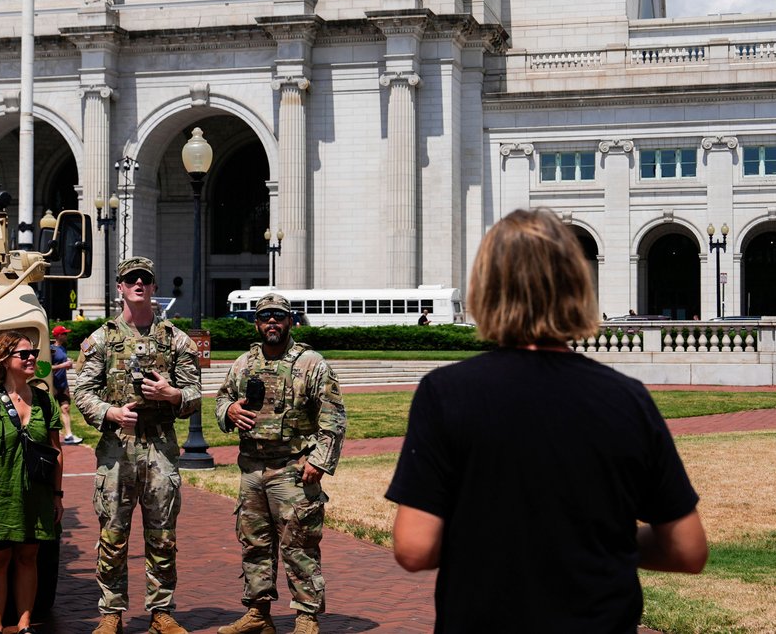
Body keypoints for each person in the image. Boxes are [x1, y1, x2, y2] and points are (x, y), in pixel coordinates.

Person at [385, 209, 708, 632]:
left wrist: (499, 534)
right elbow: (687, 549)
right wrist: (592, 535)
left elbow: (414, 547)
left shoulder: (446, 393)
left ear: (487, 288)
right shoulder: (627, 398)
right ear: (576, 286)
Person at [72, 256, 202, 634]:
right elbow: (81, 390)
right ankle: (111, 612)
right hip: (117, 450)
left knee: (162, 534)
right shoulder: (101, 340)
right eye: (131, 280)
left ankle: (162, 611)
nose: (139, 285)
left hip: (160, 449)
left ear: (154, 287)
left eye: (145, 279)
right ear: (120, 288)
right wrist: (109, 413)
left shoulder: (175, 340)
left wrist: (172, 394)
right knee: (112, 533)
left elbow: (195, 394)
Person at [214, 293, 346, 634]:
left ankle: (306, 616)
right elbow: (222, 398)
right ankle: (258, 614)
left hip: (293, 468)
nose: (272, 321)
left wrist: (319, 461)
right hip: (252, 468)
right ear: (256, 323)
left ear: (290, 321)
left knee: (298, 543)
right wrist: (228, 411)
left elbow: (333, 418)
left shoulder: (312, 363)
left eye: (279, 316)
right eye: (265, 316)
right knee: (254, 542)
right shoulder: (244, 363)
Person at [0, 331, 65, 634]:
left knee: (29, 557)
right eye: (24, 354)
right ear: (5, 360)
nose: (32, 358)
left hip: (37, 492)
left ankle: (25, 623)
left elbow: (56, 452)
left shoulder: (44, 401)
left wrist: (57, 496)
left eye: (34, 353)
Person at [51, 325, 82, 445]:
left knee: (65, 408)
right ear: (59, 335)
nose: (66, 336)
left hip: (63, 384)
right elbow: (45, 368)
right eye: (65, 334)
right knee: (50, 411)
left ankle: (68, 435)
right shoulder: (50, 349)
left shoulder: (63, 349)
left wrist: (67, 365)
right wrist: (62, 366)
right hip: (52, 384)